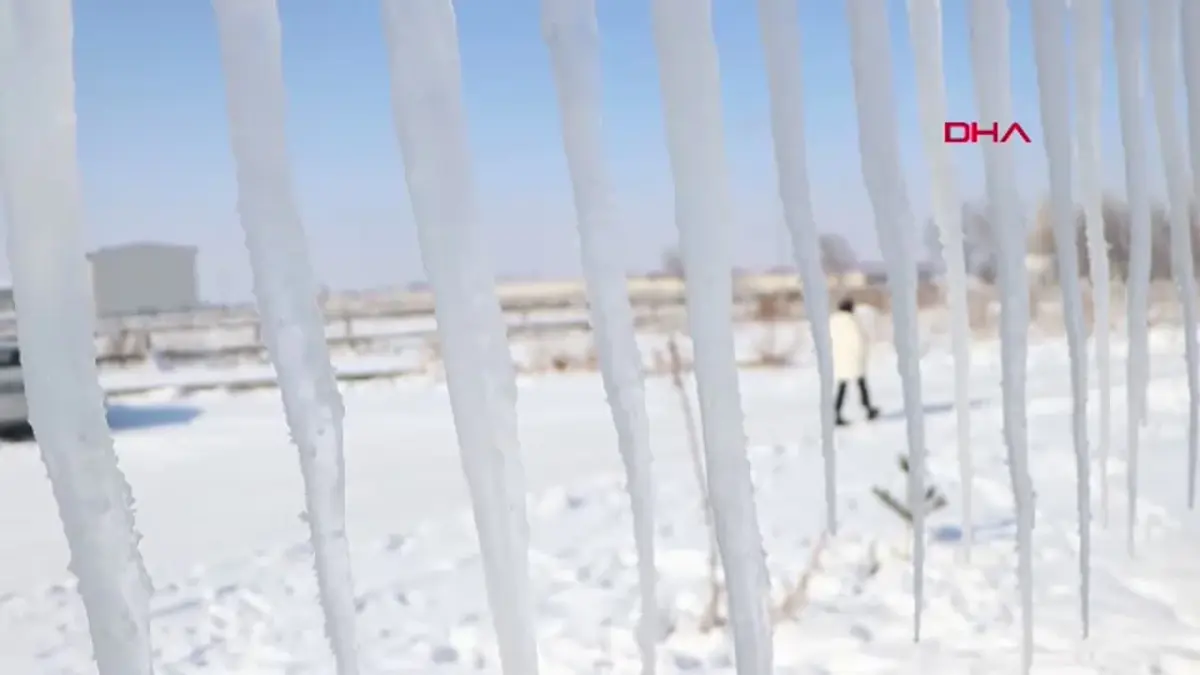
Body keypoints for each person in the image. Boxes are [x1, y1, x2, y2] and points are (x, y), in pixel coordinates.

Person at [829, 296, 879, 425]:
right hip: (853, 358)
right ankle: (868, 409)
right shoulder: (851, 321)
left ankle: (837, 412)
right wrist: (863, 351)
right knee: (861, 384)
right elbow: (858, 339)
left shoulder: (833, 321)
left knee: (843, 386)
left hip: (840, 357)